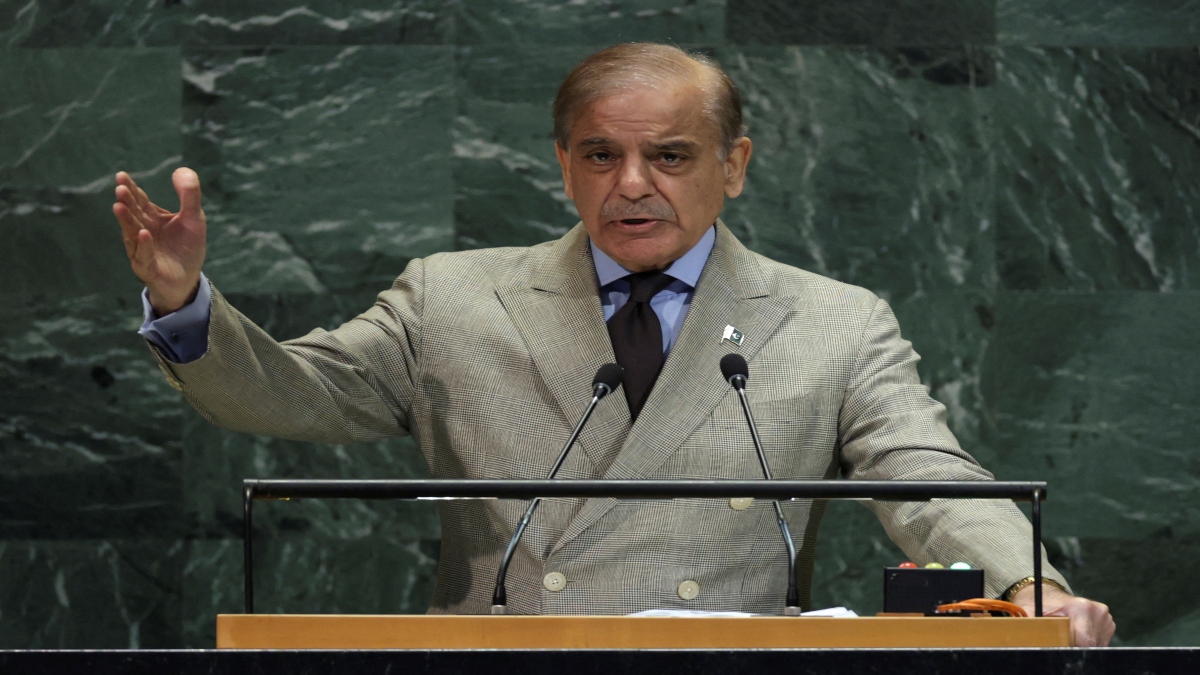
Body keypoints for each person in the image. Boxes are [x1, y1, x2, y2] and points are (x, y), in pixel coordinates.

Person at [112, 43, 1114, 645]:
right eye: (603, 154)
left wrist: (1031, 583)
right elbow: (293, 393)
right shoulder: (454, 299)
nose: (632, 183)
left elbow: (930, 481)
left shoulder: (833, 322)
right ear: (564, 166)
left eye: (670, 155)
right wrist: (188, 299)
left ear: (735, 165)